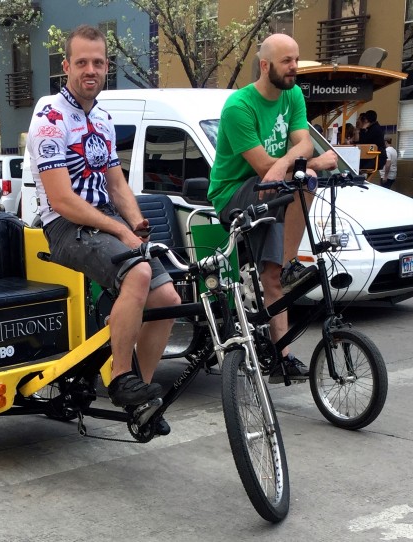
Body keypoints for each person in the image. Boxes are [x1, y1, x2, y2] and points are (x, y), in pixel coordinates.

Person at [26, 25, 180, 427]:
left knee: (168, 299)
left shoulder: (103, 118)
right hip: (67, 227)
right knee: (137, 271)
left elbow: (116, 183)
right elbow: (61, 200)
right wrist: (121, 232)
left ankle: (140, 398)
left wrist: (136, 221)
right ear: (66, 66)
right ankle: (121, 378)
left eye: (97, 62)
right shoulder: (50, 118)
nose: (90, 70)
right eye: (81, 62)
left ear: (107, 66)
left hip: (104, 222)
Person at [208, 33, 337, 384]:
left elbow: (304, 143)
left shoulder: (292, 94)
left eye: (296, 59)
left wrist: (288, 163)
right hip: (234, 194)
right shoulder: (239, 107)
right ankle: (290, 263)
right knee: (306, 176)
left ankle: (282, 357)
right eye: (287, 61)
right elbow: (265, 168)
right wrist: (306, 162)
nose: (294, 67)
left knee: (272, 276)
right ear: (265, 66)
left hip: (275, 191)